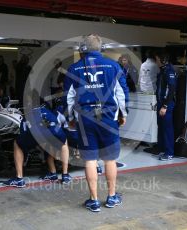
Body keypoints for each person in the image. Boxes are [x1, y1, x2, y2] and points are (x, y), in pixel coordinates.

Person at [64, 34, 129, 212]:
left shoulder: (74, 68)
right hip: (108, 117)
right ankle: (111, 197)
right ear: (101, 49)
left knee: (90, 160)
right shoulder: (114, 66)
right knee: (110, 159)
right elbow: (121, 94)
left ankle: (93, 200)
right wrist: (123, 114)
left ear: (83, 50)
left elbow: (69, 98)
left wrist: (70, 119)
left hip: (85, 119)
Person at [3, 103, 72, 187]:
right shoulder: (51, 113)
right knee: (63, 143)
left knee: (17, 144)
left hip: (34, 132)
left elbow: (23, 132)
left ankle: (19, 179)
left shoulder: (27, 114)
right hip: (53, 130)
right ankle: (65, 175)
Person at [155, 50, 177, 161]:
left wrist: (165, 106)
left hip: (166, 105)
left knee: (167, 129)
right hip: (160, 103)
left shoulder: (169, 71)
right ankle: (163, 150)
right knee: (162, 127)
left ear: (162, 60)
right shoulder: (162, 71)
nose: (156, 62)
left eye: (157, 60)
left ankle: (169, 153)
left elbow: (171, 89)